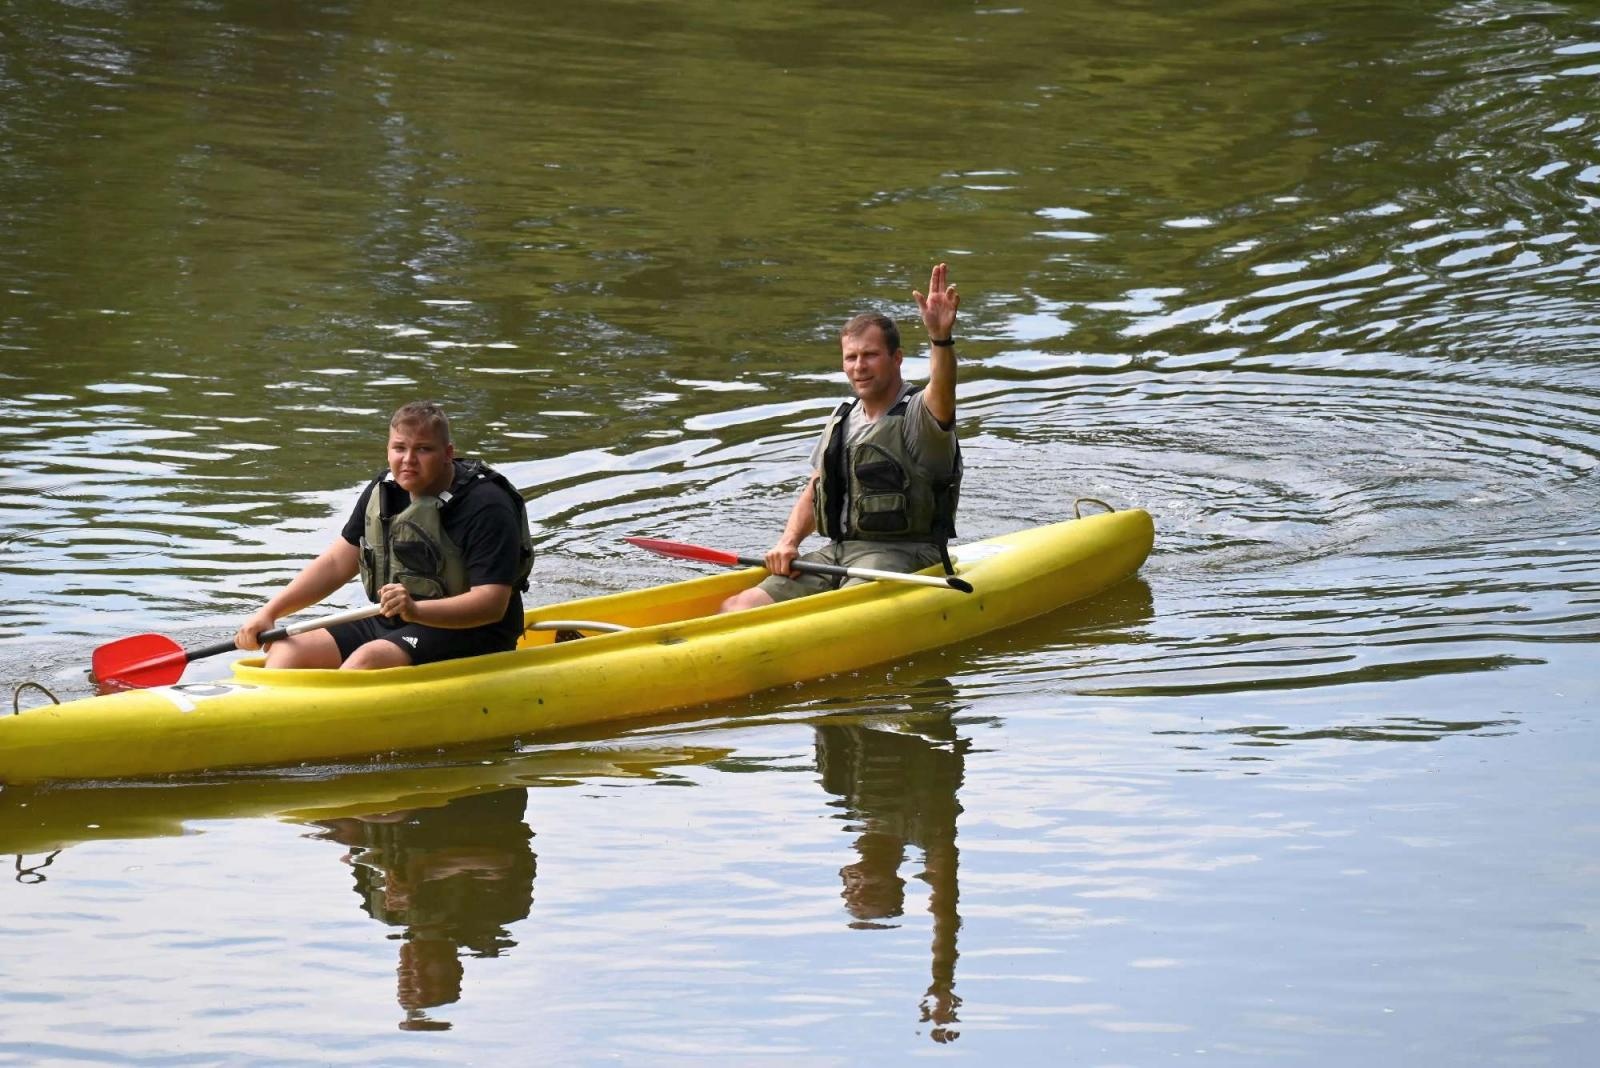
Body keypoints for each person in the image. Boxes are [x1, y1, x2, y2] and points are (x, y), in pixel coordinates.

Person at [720, 262, 963, 613]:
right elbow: (816, 486)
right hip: (837, 553)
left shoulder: (920, 416)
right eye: (851, 357)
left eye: (870, 355)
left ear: (896, 359)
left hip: (907, 555)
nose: (859, 366)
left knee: (843, 607)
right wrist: (788, 543)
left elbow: (944, 388)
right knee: (740, 605)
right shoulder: (842, 418)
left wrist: (940, 338)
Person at [236, 401, 533, 669]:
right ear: (388, 449)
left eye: (423, 449)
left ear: (448, 454)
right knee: (288, 650)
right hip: (395, 619)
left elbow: (491, 604)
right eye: (400, 448)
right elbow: (337, 563)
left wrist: (415, 610)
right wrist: (269, 612)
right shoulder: (385, 490)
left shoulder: (486, 506)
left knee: (367, 661)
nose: (408, 460)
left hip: (473, 631)